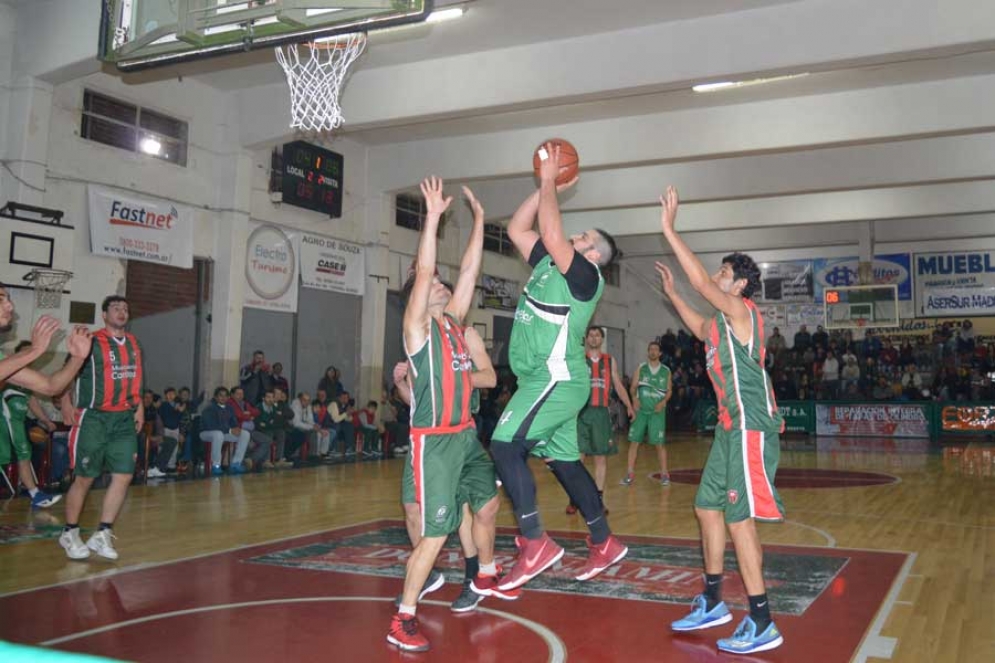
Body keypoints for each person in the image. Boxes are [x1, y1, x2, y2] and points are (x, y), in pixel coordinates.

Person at [489, 143, 627, 592]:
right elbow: (516, 228)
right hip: (544, 379)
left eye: (583, 237)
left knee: (506, 446)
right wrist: (547, 185)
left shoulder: (585, 278)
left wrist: (550, 181)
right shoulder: (551, 263)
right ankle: (604, 542)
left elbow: (550, 233)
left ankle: (535, 543)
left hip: (556, 378)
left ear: (593, 255)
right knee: (565, 463)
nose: (574, 237)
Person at [654, 186, 784, 654]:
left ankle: (763, 620)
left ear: (740, 286)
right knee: (706, 508)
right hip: (729, 431)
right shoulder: (720, 326)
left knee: (738, 522)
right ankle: (712, 601)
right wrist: (671, 294)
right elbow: (696, 324)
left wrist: (670, 231)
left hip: (751, 430)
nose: (717, 276)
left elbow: (704, 290)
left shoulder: (743, 311)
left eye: (725, 272)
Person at [387, 177, 503, 653]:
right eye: (432, 280)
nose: (440, 281)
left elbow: (471, 271)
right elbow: (428, 265)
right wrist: (432, 217)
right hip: (433, 441)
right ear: (419, 290)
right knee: (434, 535)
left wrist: (478, 222)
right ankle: (403, 617)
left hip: (464, 436)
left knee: (489, 505)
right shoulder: (417, 327)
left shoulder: (454, 324)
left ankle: (483, 573)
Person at [59, 296, 147, 561]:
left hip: (123, 418)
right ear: (105, 314)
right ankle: (70, 532)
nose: (122, 312)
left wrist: (139, 405)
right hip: (94, 418)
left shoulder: (133, 342)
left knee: (124, 475)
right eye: (116, 308)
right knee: (85, 477)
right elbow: (67, 371)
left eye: (126, 308)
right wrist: (64, 402)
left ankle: (102, 532)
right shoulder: (92, 340)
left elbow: (135, 375)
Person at [567, 325, 633, 515]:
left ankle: (598, 500)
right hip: (581, 413)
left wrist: (628, 404)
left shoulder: (609, 360)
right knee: (577, 458)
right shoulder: (580, 360)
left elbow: (618, 384)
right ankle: (574, 498)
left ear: (602, 339)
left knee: (600, 458)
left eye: (597, 335)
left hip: (602, 413)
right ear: (586, 339)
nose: (594, 338)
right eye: (591, 335)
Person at [0, 341, 64, 507]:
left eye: (31, 353)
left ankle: (35, 494)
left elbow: (33, 401)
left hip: (18, 421)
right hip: (6, 419)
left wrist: (46, 420)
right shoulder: (8, 371)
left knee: (23, 453)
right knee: (23, 453)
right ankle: (34, 493)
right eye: (25, 353)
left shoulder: (27, 377)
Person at [621, 340, 673, 486]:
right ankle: (630, 473)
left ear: (660, 353)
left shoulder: (666, 371)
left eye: (656, 349)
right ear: (648, 352)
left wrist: (663, 402)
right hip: (641, 412)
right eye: (651, 349)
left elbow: (669, 391)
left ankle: (664, 473)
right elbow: (633, 387)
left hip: (657, 412)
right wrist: (634, 398)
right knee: (634, 442)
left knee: (659, 444)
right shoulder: (641, 368)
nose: (653, 351)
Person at [199, 386, 251, 476]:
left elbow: (233, 422)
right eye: (220, 395)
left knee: (245, 434)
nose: (223, 398)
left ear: (228, 397)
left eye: (225, 396)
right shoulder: (210, 408)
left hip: (224, 433)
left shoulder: (229, 408)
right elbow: (211, 426)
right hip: (206, 433)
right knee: (218, 434)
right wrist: (230, 430)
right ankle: (216, 465)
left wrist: (236, 429)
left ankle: (236, 463)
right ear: (215, 397)